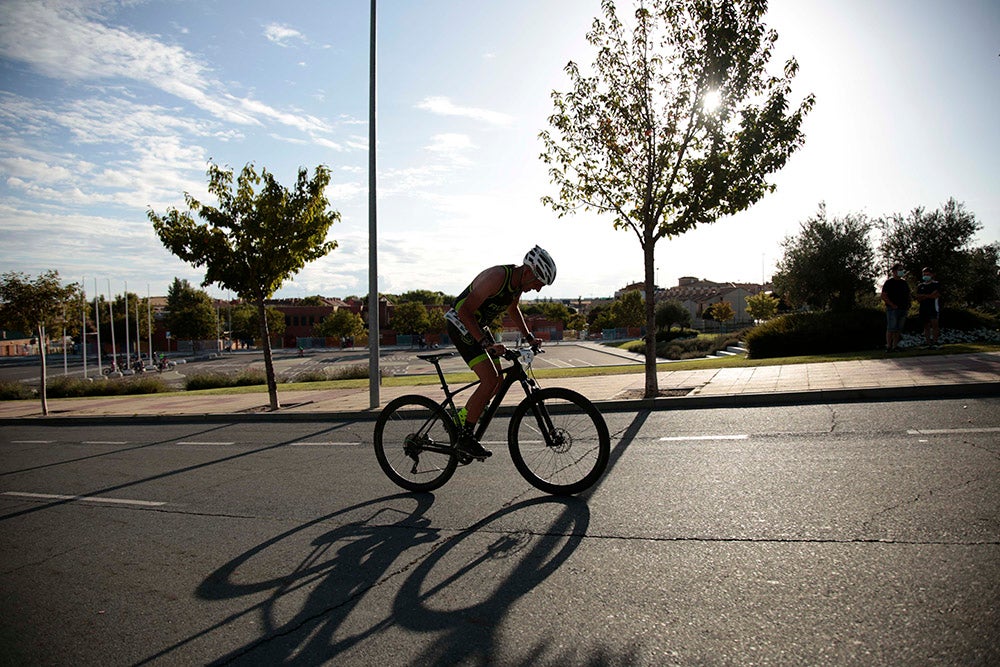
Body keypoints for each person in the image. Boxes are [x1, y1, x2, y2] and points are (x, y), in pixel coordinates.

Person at [444, 246, 557, 458]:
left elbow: (512, 309)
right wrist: (486, 343)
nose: (538, 289)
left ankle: (461, 418)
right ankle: (465, 437)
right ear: (528, 272)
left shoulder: (517, 286)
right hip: (461, 322)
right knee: (489, 380)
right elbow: (464, 311)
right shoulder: (497, 277)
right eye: (538, 283)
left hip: (477, 325)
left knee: (497, 382)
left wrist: (529, 336)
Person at [880, 262, 911, 353]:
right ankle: (889, 346)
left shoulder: (904, 283)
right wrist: (892, 304)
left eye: (902, 270)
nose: (901, 271)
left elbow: (908, 294)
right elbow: (883, 296)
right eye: (899, 270)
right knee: (891, 328)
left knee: (898, 329)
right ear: (894, 271)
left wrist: (908, 303)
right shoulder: (889, 283)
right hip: (892, 309)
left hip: (903, 308)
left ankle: (895, 346)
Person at [914, 267, 941, 348]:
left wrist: (924, 296)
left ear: (932, 275)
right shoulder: (920, 286)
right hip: (923, 308)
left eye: (928, 274)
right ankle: (928, 342)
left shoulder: (936, 284)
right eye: (924, 274)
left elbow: (936, 295)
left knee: (934, 324)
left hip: (933, 307)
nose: (926, 276)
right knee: (926, 325)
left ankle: (935, 342)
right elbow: (918, 297)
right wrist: (928, 295)